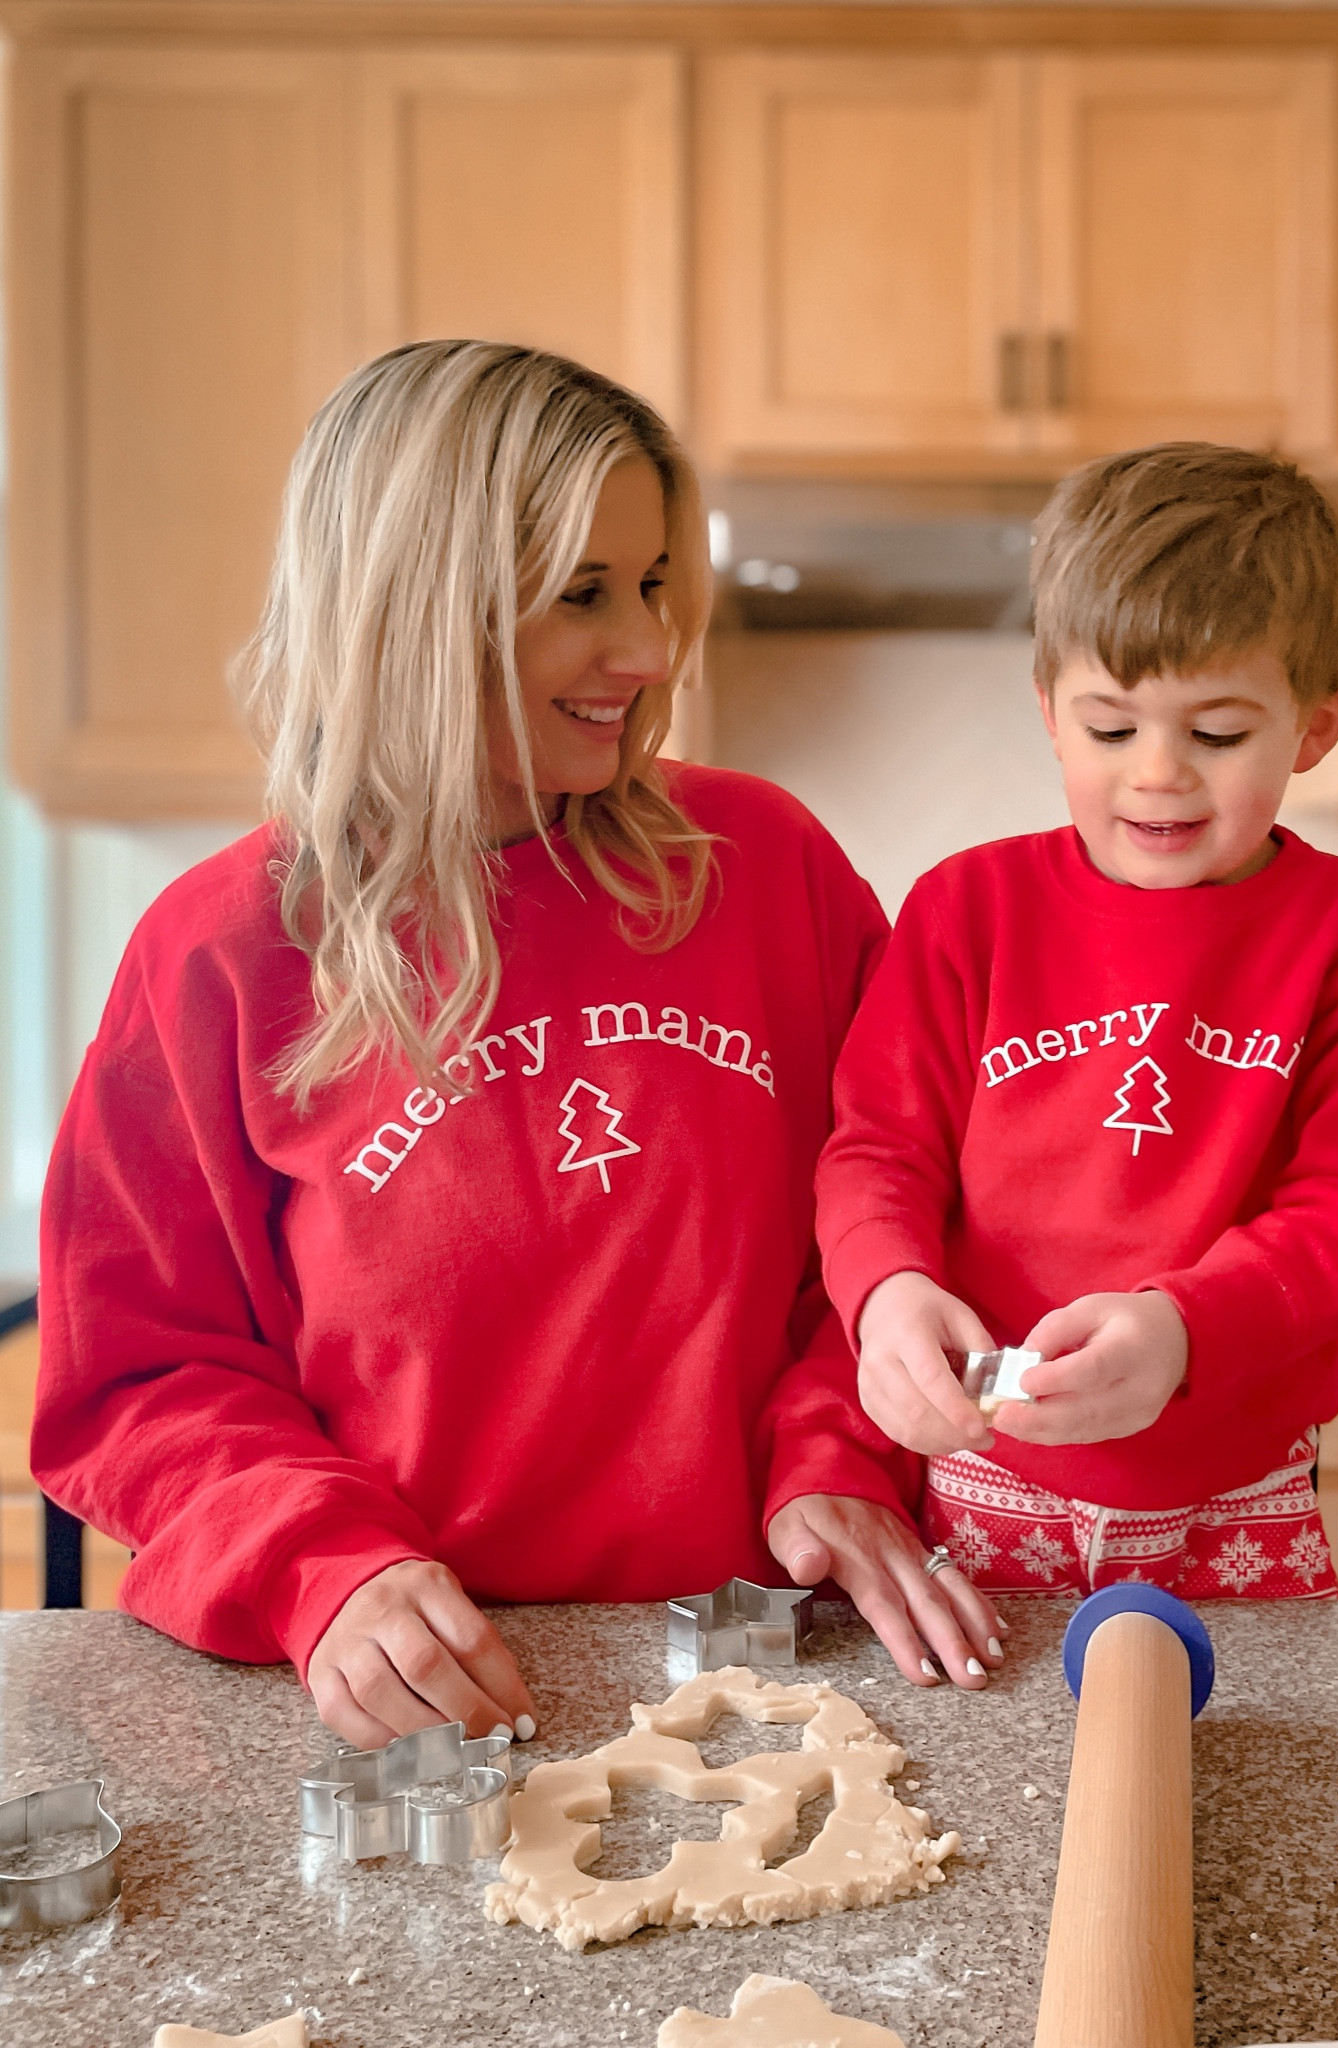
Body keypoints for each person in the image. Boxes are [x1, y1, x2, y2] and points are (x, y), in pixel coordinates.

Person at [32, 341, 1001, 1745]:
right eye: (583, 597)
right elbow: (138, 1376)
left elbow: (897, 1218)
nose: (651, 652)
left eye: (659, 583)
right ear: (414, 611)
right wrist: (327, 1571)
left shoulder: (768, 870)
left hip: (790, 1671)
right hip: (419, 1712)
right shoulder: (223, 950)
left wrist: (841, 1454)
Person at [815, 442, 1338, 1600]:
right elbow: (878, 1150)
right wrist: (885, 1289)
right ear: (1051, 713)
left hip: (1241, 1498)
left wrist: (1188, 1329)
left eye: (1215, 735)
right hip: (981, 1485)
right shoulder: (968, 910)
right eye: (1112, 730)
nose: (1158, 775)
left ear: (1314, 723)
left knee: (1236, 1781)